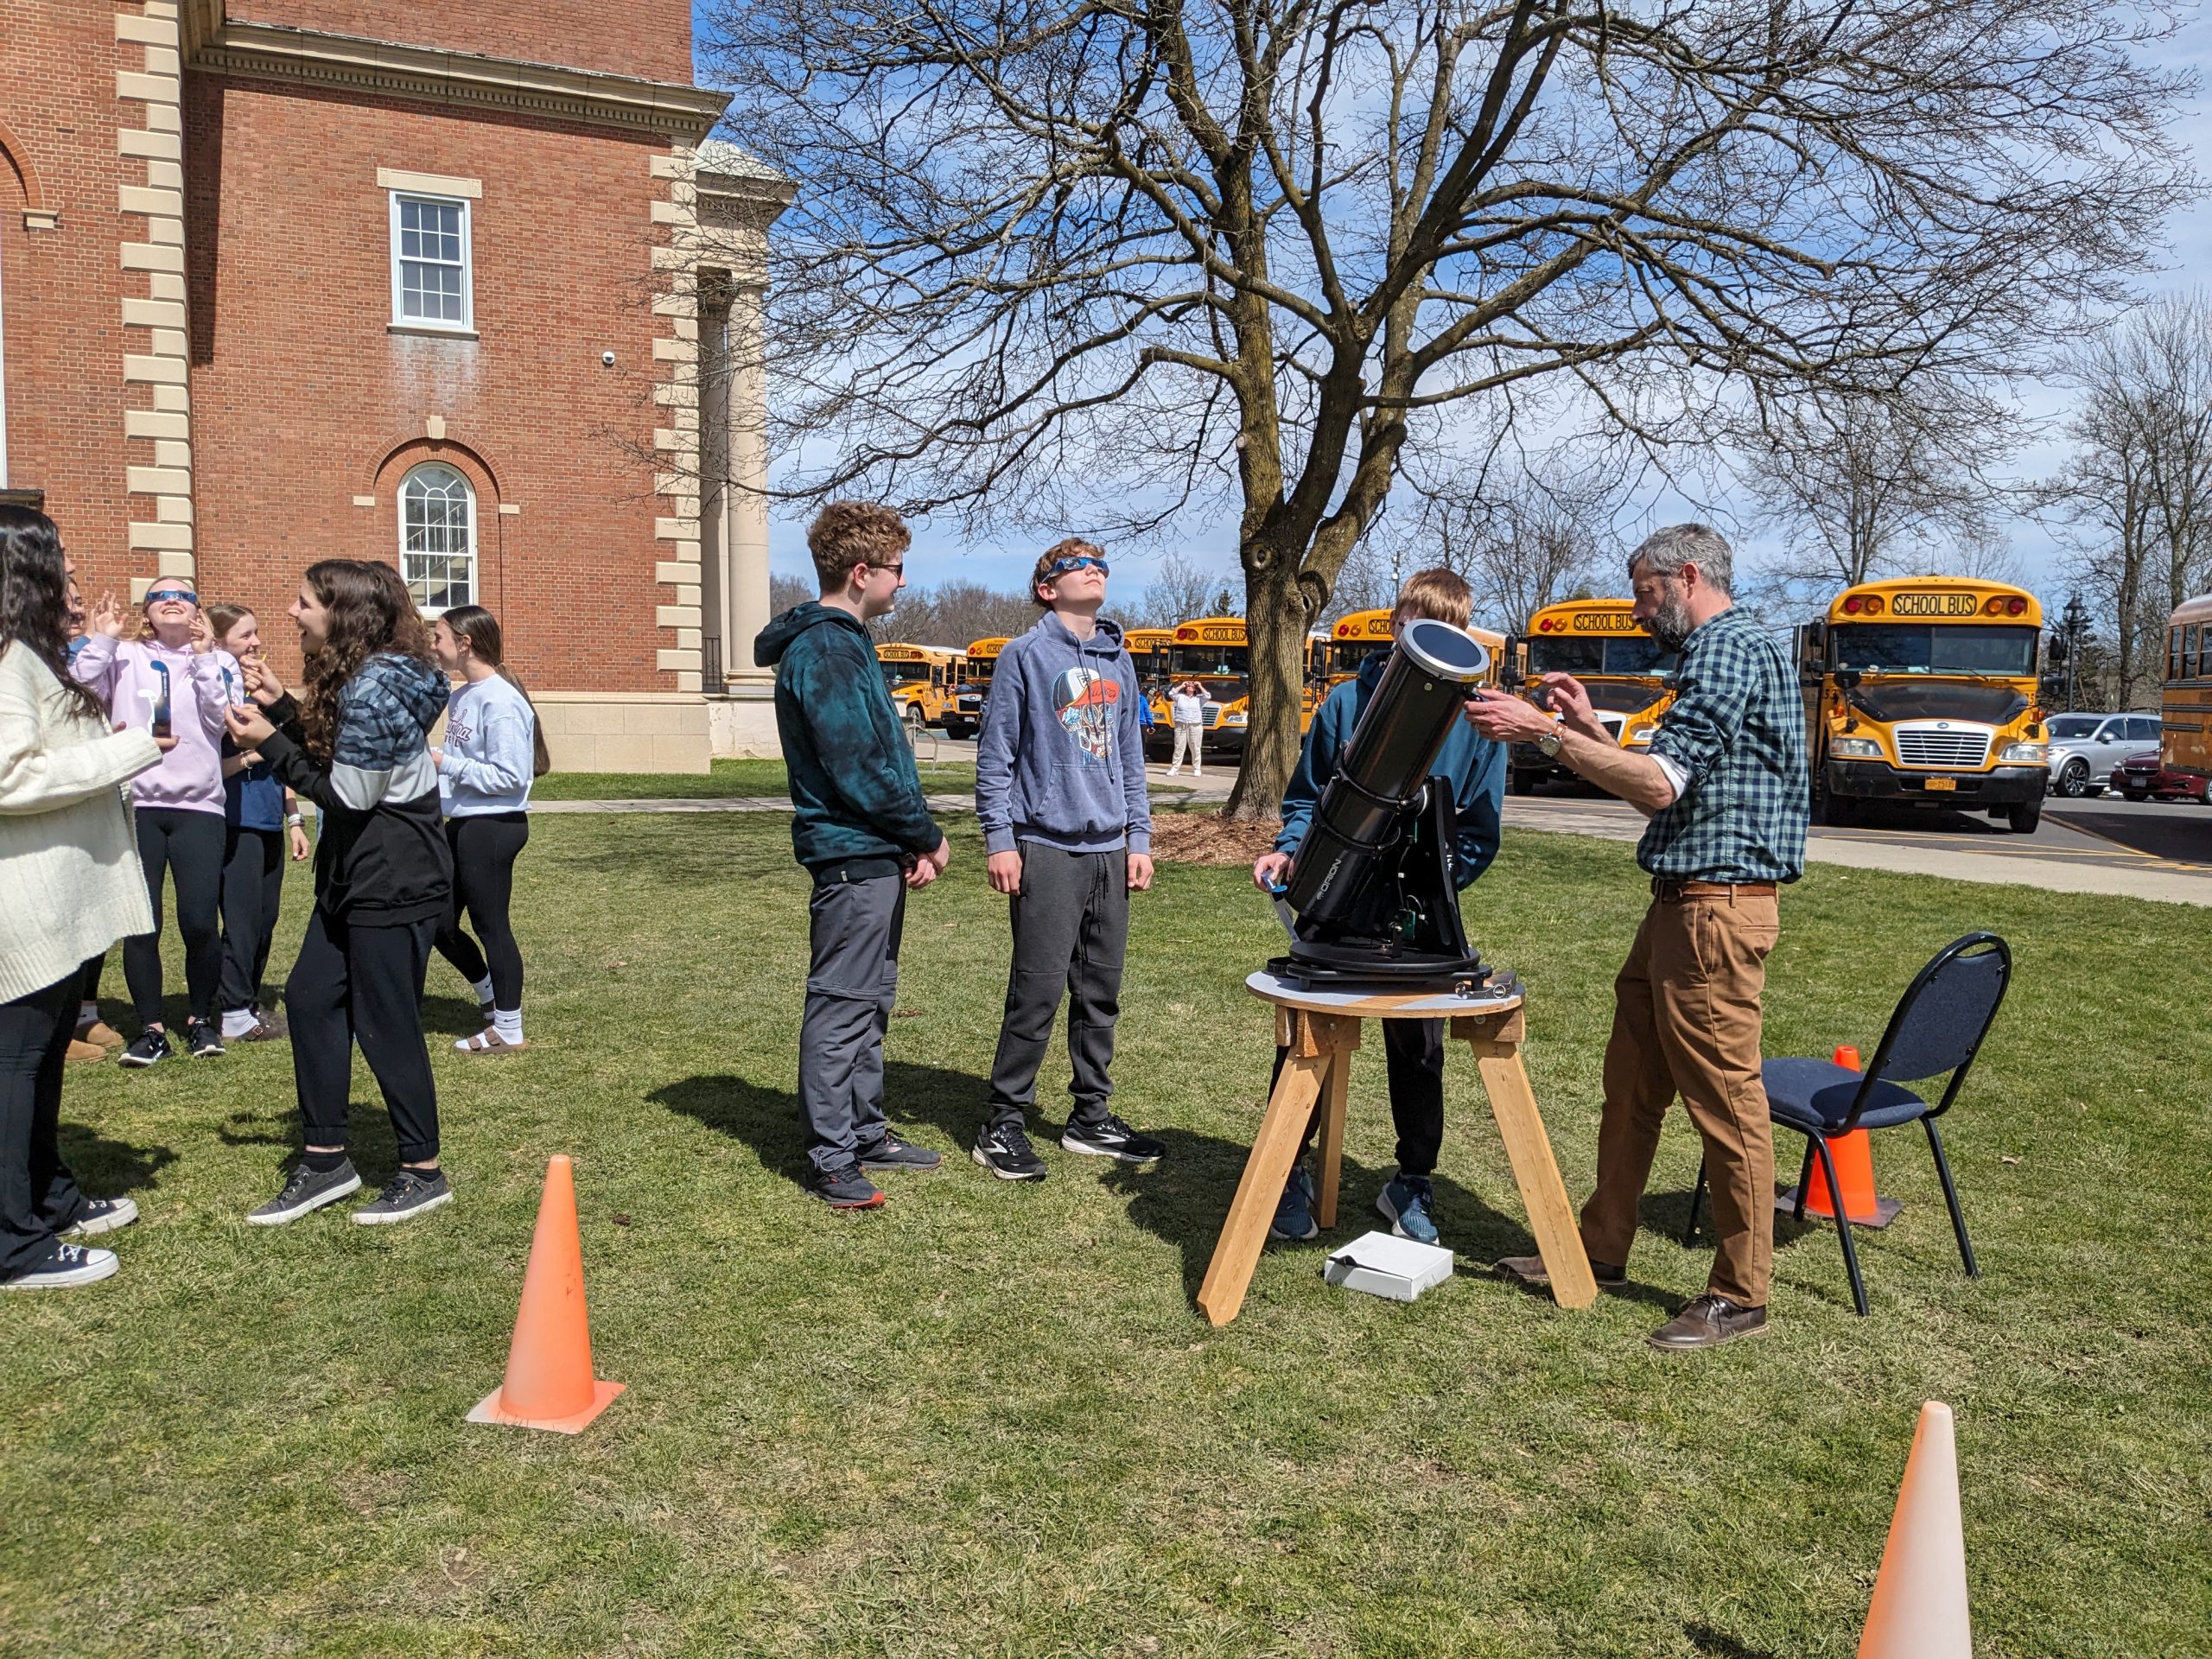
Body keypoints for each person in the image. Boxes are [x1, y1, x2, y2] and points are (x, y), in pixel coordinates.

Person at [1465, 524, 1807, 1353]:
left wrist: (1543, 735)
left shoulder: (1726, 649)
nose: (1636, 607)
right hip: (1679, 909)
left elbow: (1659, 788)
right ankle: (1596, 1252)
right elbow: (1676, 789)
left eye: (1644, 591)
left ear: (1686, 576)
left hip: (1713, 916)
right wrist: (1587, 731)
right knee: (1632, 1091)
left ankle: (1741, 1294)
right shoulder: (1723, 652)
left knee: (1725, 1102)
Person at [1251, 569, 1506, 1244]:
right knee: (1308, 1040)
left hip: (1418, 917)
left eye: (1448, 629)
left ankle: (1412, 1181)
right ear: (1396, 625)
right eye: (1414, 625)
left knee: (1420, 1053)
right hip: (1337, 902)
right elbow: (1307, 799)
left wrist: (1432, 889)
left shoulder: (1481, 721)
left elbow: (1479, 832)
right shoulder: (1343, 704)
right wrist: (1291, 851)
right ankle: (1288, 1172)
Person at [225, 561, 456, 1226]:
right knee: (307, 997)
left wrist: (268, 742)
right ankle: (327, 1159)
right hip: (356, 872)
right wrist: (285, 711)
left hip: (392, 872)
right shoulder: (375, 676)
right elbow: (346, 756)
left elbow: (351, 795)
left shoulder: (373, 690)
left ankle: (423, 1170)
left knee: (386, 1023)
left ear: (344, 615)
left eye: (304, 604)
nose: (292, 614)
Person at [753, 503, 951, 1209]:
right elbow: (859, 766)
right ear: (862, 572)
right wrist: (925, 834)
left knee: (870, 1000)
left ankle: (866, 1132)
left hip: (872, 853)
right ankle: (833, 1156)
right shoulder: (828, 649)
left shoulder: (846, 642)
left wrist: (902, 840)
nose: (903, 585)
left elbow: (876, 760)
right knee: (842, 1004)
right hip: (849, 855)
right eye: (898, 571)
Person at [0, 505, 166, 1288]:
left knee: (40, 1066)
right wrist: (125, 751)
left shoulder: (32, 655)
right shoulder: (7, 658)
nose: (70, 573)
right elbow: (9, 775)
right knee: (18, 1067)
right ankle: (13, 1242)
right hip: (23, 910)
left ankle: (48, 1197)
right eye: (57, 557)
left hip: (55, 905)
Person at [971, 538, 1162, 1180]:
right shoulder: (1024, 656)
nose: (1094, 571)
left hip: (1111, 849)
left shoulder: (1119, 659)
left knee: (1100, 992)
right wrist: (1001, 840)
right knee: (1038, 990)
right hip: (1045, 846)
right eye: (1078, 565)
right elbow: (995, 757)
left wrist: (1139, 839)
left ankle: (1091, 1116)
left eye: (1101, 565)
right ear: (1047, 588)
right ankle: (1002, 1122)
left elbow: (1130, 759)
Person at [71, 580, 239, 1064]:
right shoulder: (122, 655)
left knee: (199, 920)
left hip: (199, 807)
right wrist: (102, 639)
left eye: (184, 595)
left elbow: (222, 718)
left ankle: (202, 1020)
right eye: (160, 594)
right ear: (146, 610)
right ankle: (151, 1029)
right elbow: (80, 694)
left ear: (198, 611)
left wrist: (206, 657)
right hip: (136, 804)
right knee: (142, 925)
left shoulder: (218, 661)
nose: (172, 599)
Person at [428, 604, 547, 1055]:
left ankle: (509, 1028)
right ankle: (490, 998)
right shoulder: (462, 696)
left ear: (465, 642)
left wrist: (444, 762)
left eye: (439, 637)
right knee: (439, 924)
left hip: (494, 825)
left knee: (491, 925)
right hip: (463, 821)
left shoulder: (500, 700)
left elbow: (512, 776)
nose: (434, 646)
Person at [207, 604, 310, 1044]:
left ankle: (246, 1003)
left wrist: (295, 819)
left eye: (257, 633)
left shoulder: (257, 693)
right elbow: (211, 768)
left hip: (269, 818)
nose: (256, 643)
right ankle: (231, 1012)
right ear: (218, 643)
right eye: (245, 636)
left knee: (266, 917)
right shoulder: (212, 696)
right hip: (236, 819)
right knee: (243, 919)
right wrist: (257, 750)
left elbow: (286, 763)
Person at [1166, 679, 1205, 776]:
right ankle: (1175, 768)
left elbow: (1208, 696)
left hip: (1195, 724)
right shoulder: (1180, 697)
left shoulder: (1199, 698)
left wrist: (1199, 685)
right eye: (1188, 685)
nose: (1190, 686)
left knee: (1195, 747)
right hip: (1181, 724)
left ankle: (1197, 768)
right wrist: (1182, 685)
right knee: (1179, 747)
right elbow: (1171, 693)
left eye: (1192, 686)